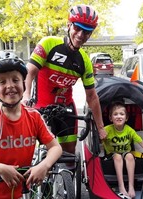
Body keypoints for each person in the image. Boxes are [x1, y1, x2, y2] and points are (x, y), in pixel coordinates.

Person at [22, 4, 107, 171]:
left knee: (69, 155)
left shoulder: (84, 60)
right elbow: (29, 72)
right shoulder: (49, 43)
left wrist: (101, 127)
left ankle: (68, 184)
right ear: (69, 25)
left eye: (87, 31)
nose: (81, 35)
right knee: (44, 153)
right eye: (78, 28)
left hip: (66, 109)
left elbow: (92, 96)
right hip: (41, 107)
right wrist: (26, 95)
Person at [0, 51, 62, 199]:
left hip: (20, 193)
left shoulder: (33, 117)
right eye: (2, 82)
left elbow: (55, 147)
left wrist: (44, 165)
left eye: (15, 80)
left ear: (24, 84)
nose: (10, 86)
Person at [102, 101, 143, 198]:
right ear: (110, 118)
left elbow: (142, 142)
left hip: (126, 152)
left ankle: (131, 186)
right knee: (118, 156)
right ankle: (121, 186)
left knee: (130, 156)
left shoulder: (129, 130)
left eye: (122, 114)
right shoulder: (107, 129)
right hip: (111, 154)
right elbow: (99, 139)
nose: (119, 116)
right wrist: (101, 136)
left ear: (126, 118)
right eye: (115, 114)